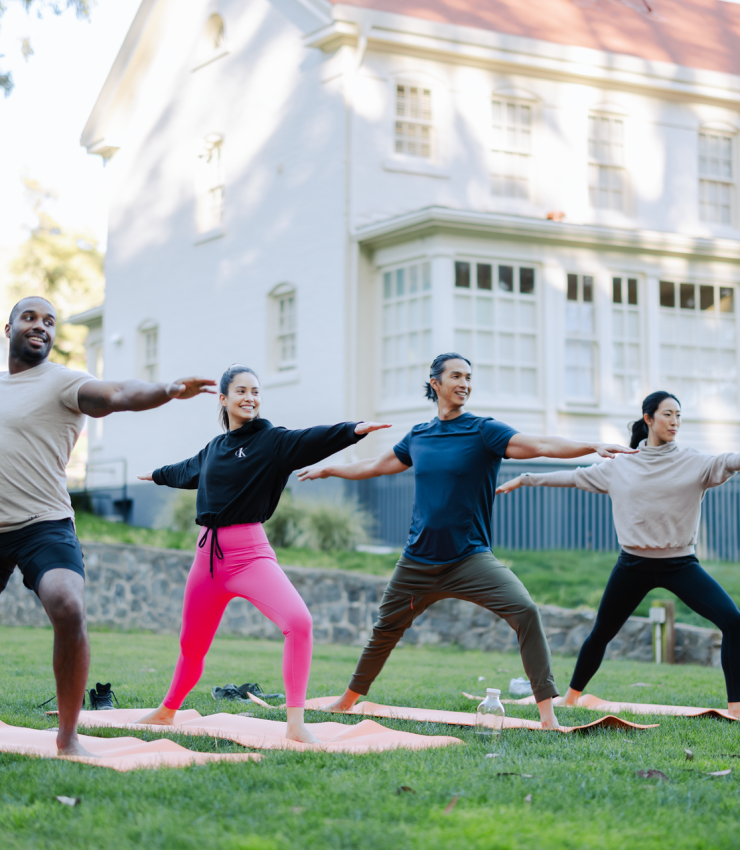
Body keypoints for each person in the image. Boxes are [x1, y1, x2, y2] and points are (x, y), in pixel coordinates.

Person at [297, 353, 635, 729]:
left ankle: (548, 716)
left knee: (525, 611)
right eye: (456, 376)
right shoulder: (419, 436)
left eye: (469, 377)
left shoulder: (483, 431)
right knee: (384, 631)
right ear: (435, 383)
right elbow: (376, 466)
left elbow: (539, 444)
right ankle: (347, 702)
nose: (464, 383)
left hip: (469, 558)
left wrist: (591, 446)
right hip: (418, 562)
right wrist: (330, 468)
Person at [0, 296, 216, 755]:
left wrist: (166, 390)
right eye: (30, 318)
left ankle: (68, 736)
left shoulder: (62, 381)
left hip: (44, 523)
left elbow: (117, 394)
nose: (40, 326)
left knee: (68, 605)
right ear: (9, 328)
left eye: (49, 321)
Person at [135, 364, 390, 742]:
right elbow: (186, 470)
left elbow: (308, 440)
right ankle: (167, 711)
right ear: (224, 399)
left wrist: (351, 431)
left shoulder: (271, 441)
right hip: (206, 559)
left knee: (299, 622)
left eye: (255, 391)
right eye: (241, 391)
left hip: (249, 556)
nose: (250, 397)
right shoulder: (214, 449)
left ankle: (295, 726)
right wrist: (156, 474)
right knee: (191, 646)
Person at [496, 390, 740, 718]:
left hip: (680, 564)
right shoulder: (620, 465)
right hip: (632, 566)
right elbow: (573, 477)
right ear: (648, 419)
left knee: (734, 622)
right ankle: (570, 697)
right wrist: (527, 478)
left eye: (679, 415)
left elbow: (727, 461)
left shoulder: (693, 461)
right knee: (601, 633)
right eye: (668, 414)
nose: (675, 421)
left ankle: (736, 708)